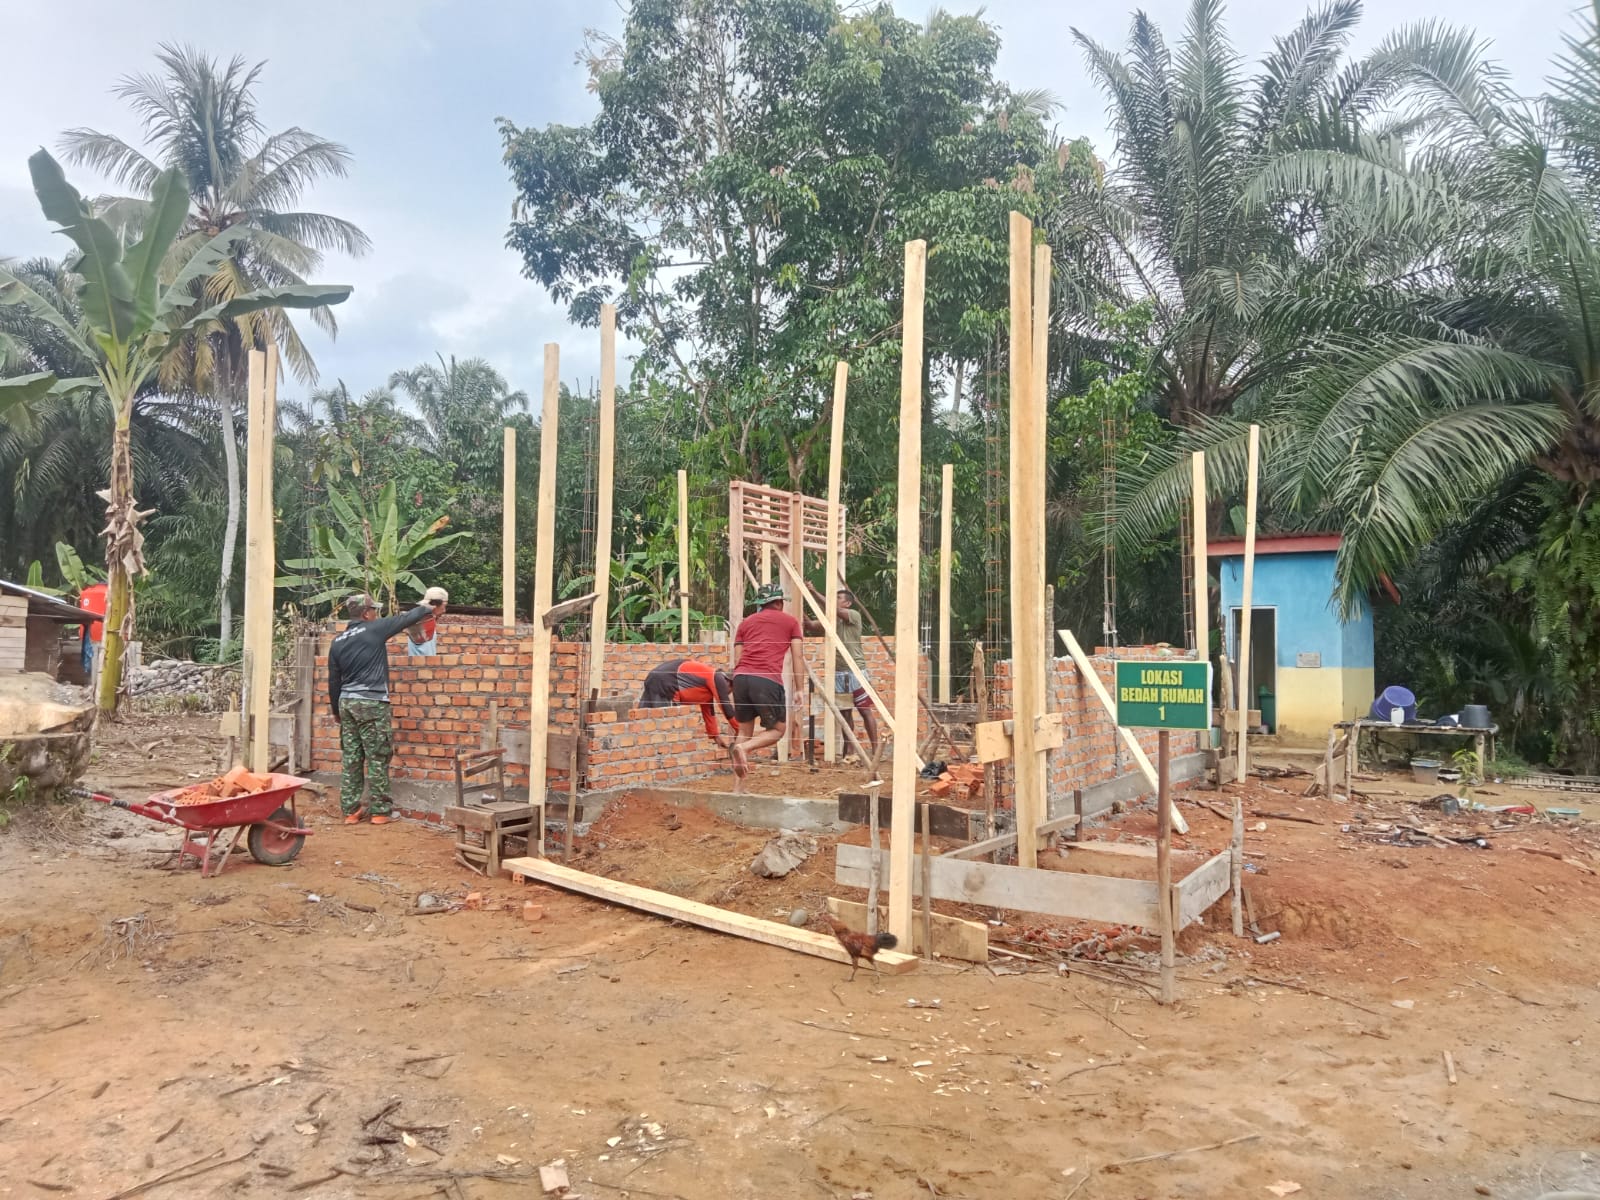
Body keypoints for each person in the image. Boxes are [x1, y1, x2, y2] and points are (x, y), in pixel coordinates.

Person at [328, 589, 446, 825]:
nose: (376, 613)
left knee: (352, 757)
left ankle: (351, 810)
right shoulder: (375, 629)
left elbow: (333, 680)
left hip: (346, 703)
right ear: (366, 613)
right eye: (374, 610)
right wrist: (429, 606)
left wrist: (336, 712)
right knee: (377, 756)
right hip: (371, 702)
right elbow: (407, 618)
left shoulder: (337, 642)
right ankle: (380, 812)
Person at [728, 581, 805, 791]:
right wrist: (800, 688)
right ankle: (744, 748)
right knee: (778, 730)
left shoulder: (745, 623)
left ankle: (737, 790)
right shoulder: (791, 622)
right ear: (779, 602)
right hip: (766, 680)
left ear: (761, 603)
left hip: (741, 678)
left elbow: (738, 659)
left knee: (744, 730)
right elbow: (797, 656)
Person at [804, 585, 880, 761]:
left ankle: (876, 750)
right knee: (845, 714)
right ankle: (850, 752)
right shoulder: (831, 621)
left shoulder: (853, 616)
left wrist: (813, 591)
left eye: (838, 598)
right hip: (838, 673)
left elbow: (833, 609)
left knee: (864, 711)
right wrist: (801, 606)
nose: (834, 601)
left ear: (847, 603)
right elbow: (810, 626)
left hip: (856, 672)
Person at [639, 659, 738, 744]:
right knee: (661, 728)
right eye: (731, 690)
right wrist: (739, 730)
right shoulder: (717, 677)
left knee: (642, 722)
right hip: (664, 682)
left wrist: (715, 736)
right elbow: (726, 707)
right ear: (729, 682)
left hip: (657, 678)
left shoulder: (708, 686)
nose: (727, 693)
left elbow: (708, 711)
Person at [406, 586, 449, 656]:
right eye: (444, 606)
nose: (444, 610)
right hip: (421, 662)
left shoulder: (424, 619)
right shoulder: (421, 622)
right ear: (435, 605)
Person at [78, 580, 107, 678]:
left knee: (92, 658)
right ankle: (95, 681)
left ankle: (92, 680)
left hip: (89, 632)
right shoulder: (108, 592)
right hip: (103, 633)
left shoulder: (86, 593)